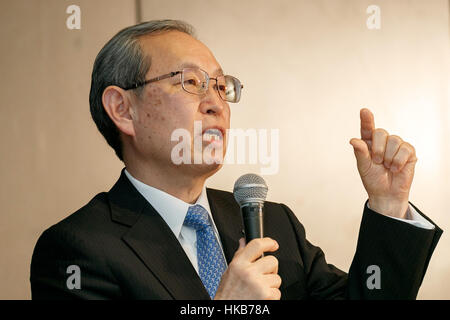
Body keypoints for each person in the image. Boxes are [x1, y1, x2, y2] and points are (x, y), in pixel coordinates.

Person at [30, 20, 442, 300]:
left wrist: (389, 208)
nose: (216, 104)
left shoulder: (274, 222)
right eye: (190, 82)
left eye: (222, 86)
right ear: (123, 109)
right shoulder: (76, 251)